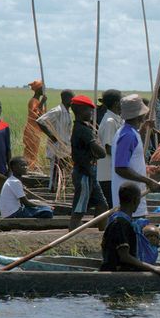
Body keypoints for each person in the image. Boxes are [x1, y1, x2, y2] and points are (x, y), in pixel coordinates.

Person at [100, 182, 160, 280]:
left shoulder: (118, 219)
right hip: (118, 274)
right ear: (135, 200)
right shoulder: (120, 223)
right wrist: (153, 268)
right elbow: (124, 256)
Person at [112, 94, 160, 217]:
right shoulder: (128, 136)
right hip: (129, 203)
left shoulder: (130, 132)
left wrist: (146, 169)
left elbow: (129, 162)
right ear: (140, 115)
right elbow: (120, 168)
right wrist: (148, 180)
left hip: (133, 199)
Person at [69, 95, 108, 230]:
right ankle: (72, 237)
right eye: (89, 111)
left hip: (90, 173)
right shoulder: (83, 130)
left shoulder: (84, 128)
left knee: (103, 205)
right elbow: (102, 153)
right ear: (80, 111)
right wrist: (98, 144)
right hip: (83, 174)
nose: (91, 113)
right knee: (79, 210)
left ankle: (102, 234)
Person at [37, 89, 74, 192]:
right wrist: (51, 135)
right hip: (57, 148)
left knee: (61, 174)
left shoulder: (67, 112)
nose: (73, 101)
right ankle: (52, 193)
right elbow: (40, 121)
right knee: (55, 173)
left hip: (65, 148)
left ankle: (58, 192)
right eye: (72, 98)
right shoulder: (57, 111)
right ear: (66, 99)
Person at [97, 89, 123, 208]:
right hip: (108, 173)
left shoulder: (116, 119)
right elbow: (108, 148)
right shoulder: (110, 121)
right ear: (117, 103)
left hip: (112, 172)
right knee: (110, 206)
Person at [23, 80, 46, 170]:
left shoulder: (37, 101)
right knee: (30, 150)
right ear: (37, 90)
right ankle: (27, 167)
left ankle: (30, 167)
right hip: (31, 130)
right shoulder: (33, 101)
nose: (44, 90)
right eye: (42, 88)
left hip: (36, 130)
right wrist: (42, 103)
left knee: (34, 150)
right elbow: (35, 115)